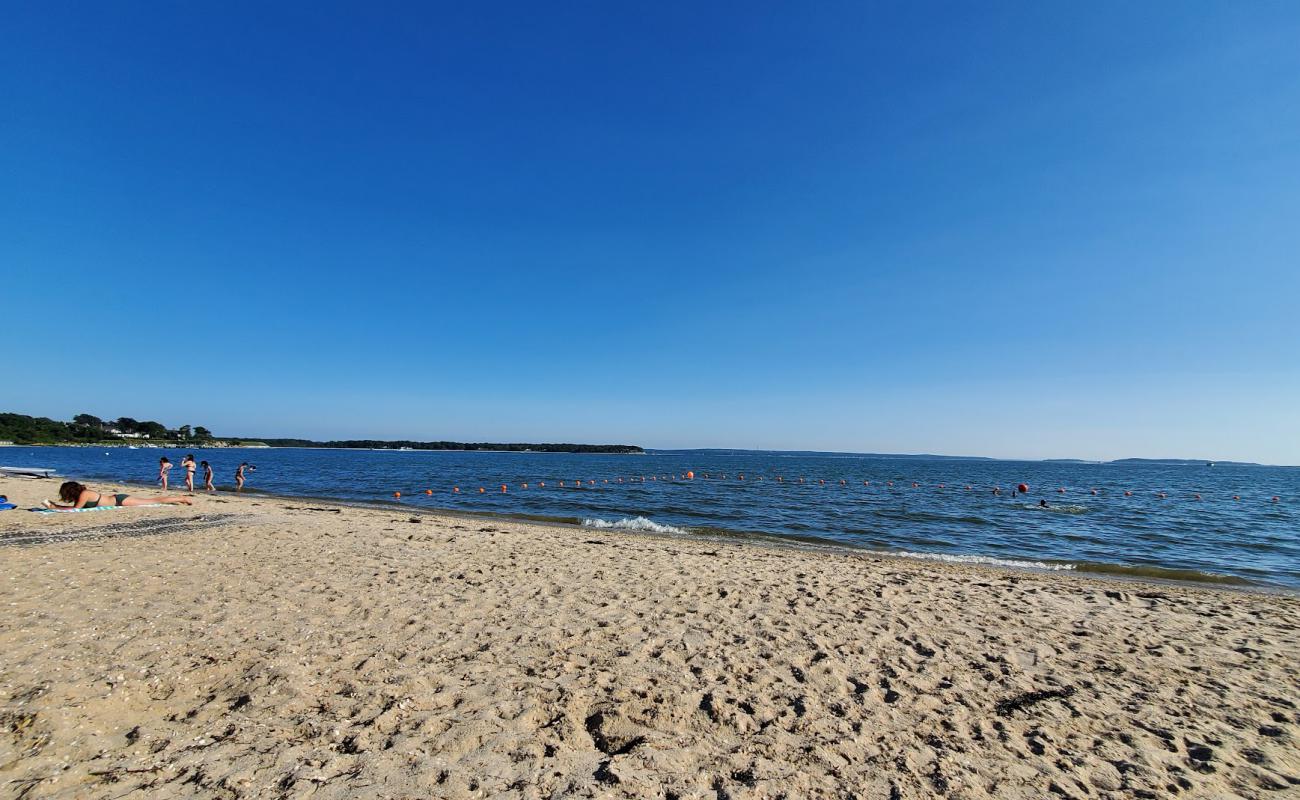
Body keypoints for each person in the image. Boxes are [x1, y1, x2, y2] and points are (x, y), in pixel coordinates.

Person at [43, 481, 193, 510]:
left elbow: (76, 509)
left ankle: (182, 498)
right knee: (154, 500)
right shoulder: (83, 494)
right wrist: (56, 507)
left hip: (120, 500)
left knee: (154, 500)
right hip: (117, 499)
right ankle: (179, 500)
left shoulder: (85, 494)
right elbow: (76, 507)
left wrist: (55, 507)